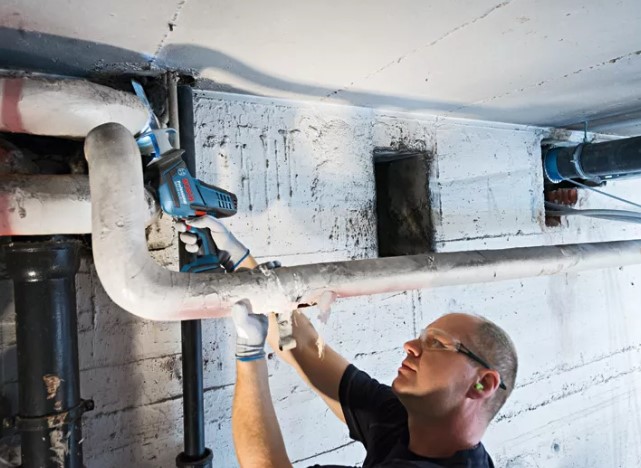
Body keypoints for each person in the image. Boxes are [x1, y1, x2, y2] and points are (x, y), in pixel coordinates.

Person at [179, 217, 519, 468]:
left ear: (482, 384)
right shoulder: (404, 420)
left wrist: (249, 353)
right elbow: (306, 350)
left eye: (437, 343)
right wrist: (242, 265)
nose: (410, 346)